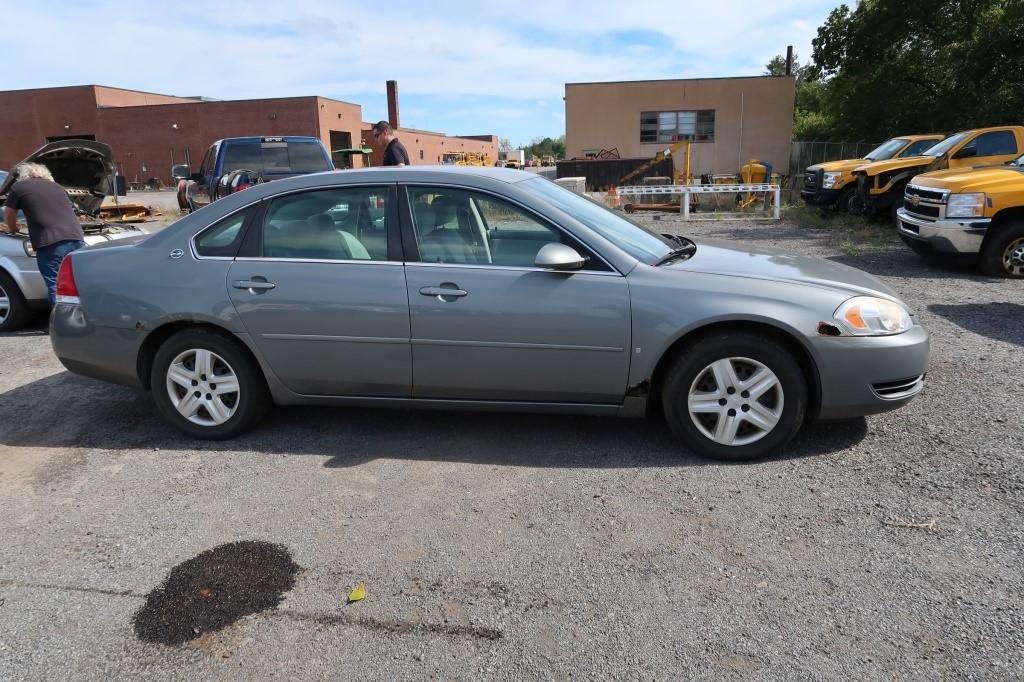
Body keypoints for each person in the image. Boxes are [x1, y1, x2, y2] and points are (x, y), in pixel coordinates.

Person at [2, 162, 86, 304]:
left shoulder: (19, 187)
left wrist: (12, 228)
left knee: (56, 285)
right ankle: (83, 320)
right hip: (77, 238)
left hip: (51, 242)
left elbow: (9, 213)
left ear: (23, 174)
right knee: (78, 283)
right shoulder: (57, 187)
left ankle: (62, 323)